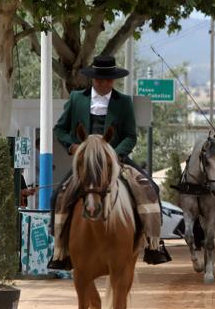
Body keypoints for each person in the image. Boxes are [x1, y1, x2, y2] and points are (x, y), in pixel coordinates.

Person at [49, 55, 164, 270]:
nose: (103, 83)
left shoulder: (124, 102)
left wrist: (114, 154)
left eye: (108, 80)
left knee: (152, 189)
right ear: (93, 79)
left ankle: (154, 244)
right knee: (58, 195)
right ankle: (60, 249)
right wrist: (73, 147)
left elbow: (130, 135)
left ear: (114, 80)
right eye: (100, 79)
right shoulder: (76, 99)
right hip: (87, 161)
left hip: (115, 159)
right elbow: (60, 129)